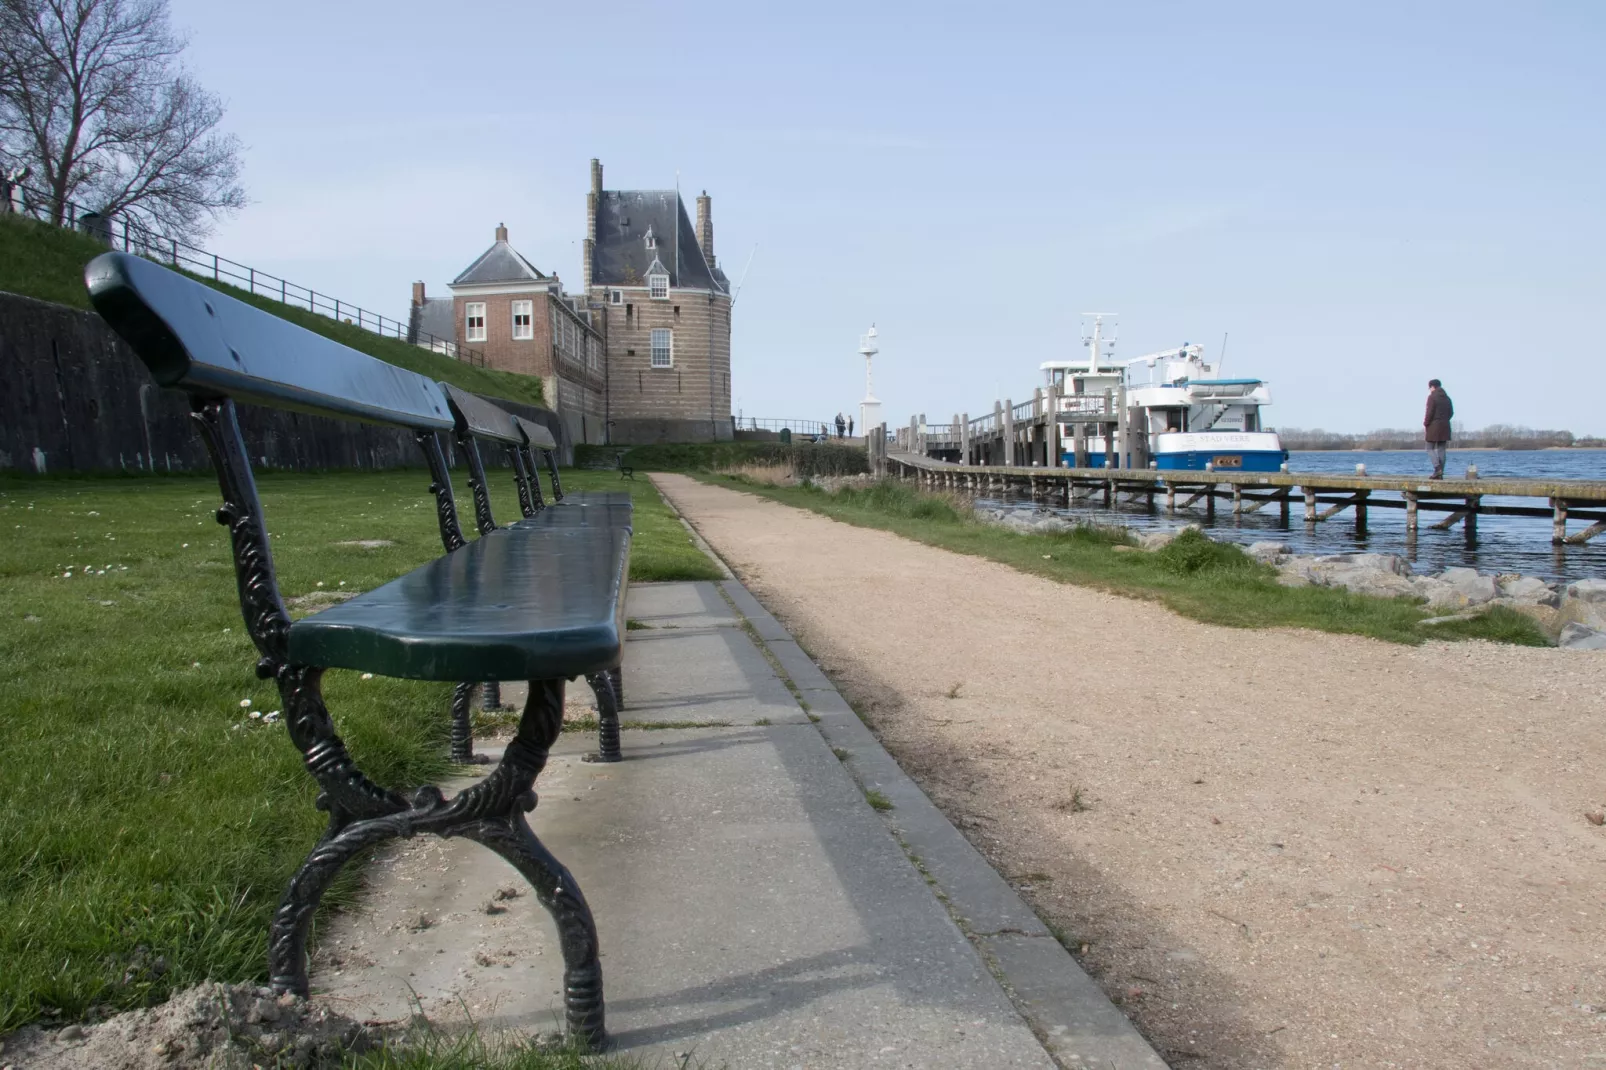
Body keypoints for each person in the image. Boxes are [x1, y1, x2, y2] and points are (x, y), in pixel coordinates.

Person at [1424, 378, 1453, 479]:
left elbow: (1429, 412)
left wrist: (1426, 423)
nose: (1430, 390)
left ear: (1432, 387)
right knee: (1441, 449)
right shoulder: (1447, 398)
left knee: (1429, 448)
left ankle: (1437, 468)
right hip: (1445, 426)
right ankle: (1440, 473)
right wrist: (1444, 420)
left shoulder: (1432, 397)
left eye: (1430, 388)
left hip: (1433, 426)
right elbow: (1451, 413)